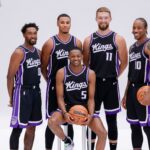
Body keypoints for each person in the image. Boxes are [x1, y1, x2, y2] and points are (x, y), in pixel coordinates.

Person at [83, 7, 128, 150]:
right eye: (100, 17)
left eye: (105, 17)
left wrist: (114, 75)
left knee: (111, 119)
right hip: (94, 85)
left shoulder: (118, 38)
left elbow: (124, 62)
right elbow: (85, 62)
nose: (103, 20)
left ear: (110, 18)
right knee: (91, 117)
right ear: (96, 19)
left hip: (111, 84)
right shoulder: (89, 39)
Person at [48, 47, 107, 150]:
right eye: (73, 56)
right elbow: (60, 97)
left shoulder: (90, 73)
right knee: (51, 122)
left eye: (78, 56)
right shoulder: (61, 73)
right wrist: (65, 113)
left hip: (86, 109)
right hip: (67, 108)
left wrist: (90, 115)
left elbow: (91, 99)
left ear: (82, 57)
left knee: (103, 133)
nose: (76, 58)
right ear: (69, 57)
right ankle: (67, 141)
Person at [41, 14, 82, 150]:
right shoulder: (50, 43)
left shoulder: (76, 42)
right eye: (62, 22)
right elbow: (43, 66)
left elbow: (80, 64)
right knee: (52, 120)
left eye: (67, 22)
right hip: (54, 85)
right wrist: (50, 81)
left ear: (70, 24)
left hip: (71, 86)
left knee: (71, 117)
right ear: (58, 24)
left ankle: (69, 146)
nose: (65, 25)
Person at [7, 23, 42, 150]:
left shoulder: (38, 52)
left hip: (36, 92)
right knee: (18, 128)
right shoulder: (19, 52)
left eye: (35, 33)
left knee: (32, 127)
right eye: (30, 33)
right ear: (24, 35)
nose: (33, 35)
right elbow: (10, 76)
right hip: (23, 92)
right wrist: (12, 97)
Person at [122, 18, 150, 150]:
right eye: (134, 27)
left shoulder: (148, 45)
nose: (135, 30)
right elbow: (130, 73)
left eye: (139, 28)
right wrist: (126, 94)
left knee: (148, 127)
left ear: (145, 29)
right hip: (133, 90)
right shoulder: (132, 47)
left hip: (145, 89)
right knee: (134, 126)